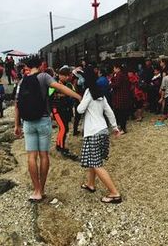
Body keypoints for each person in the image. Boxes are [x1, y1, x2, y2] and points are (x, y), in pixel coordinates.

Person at [14, 56, 82, 202]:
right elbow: (61, 87)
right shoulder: (44, 76)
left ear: (27, 66)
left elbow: (17, 104)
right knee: (44, 155)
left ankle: (36, 190)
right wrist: (78, 97)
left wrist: (16, 125)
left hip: (28, 123)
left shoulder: (22, 81)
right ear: (41, 65)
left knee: (31, 156)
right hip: (43, 120)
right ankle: (42, 189)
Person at [76, 69, 125, 204]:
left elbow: (80, 110)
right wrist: (115, 127)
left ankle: (114, 193)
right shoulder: (100, 94)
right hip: (103, 131)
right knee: (95, 159)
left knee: (97, 164)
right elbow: (109, 112)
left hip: (93, 132)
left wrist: (81, 100)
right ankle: (90, 184)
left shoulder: (88, 92)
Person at [52, 67, 78, 158]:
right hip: (56, 110)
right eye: (66, 76)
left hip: (66, 110)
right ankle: (61, 147)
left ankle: (59, 145)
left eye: (69, 76)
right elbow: (48, 97)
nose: (68, 77)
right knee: (63, 128)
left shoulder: (69, 84)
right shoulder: (53, 84)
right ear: (60, 75)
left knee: (65, 128)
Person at [109, 63, 138, 133]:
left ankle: (123, 128)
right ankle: (121, 127)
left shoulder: (120, 75)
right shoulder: (122, 75)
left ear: (117, 68)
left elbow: (117, 84)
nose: (113, 70)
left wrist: (110, 84)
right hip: (122, 96)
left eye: (114, 68)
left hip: (120, 96)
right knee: (120, 112)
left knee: (121, 113)